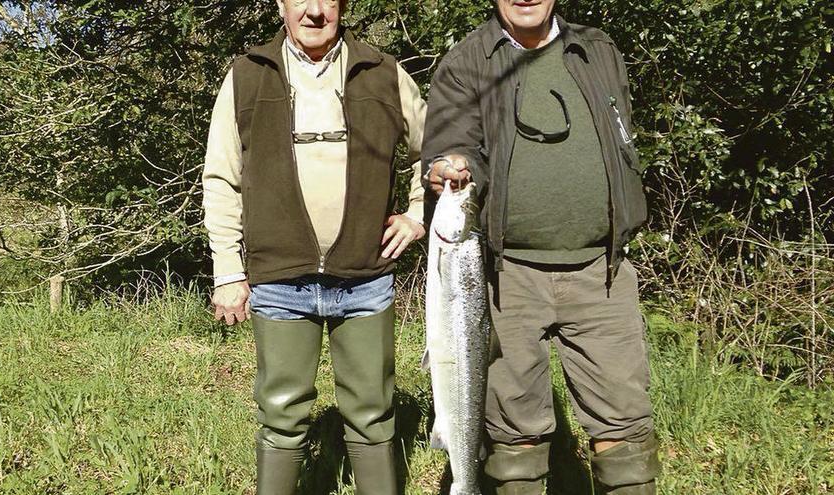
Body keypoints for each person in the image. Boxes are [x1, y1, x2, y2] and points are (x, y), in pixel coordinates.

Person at [422, 1, 660, 493]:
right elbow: (454, 142)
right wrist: (455, 165)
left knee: (625, 431)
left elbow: (619, 139)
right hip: (505, 278)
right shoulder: (468, 61)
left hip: (603, 271)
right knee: (515, 437)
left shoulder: (596, 49)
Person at [201, 0, 427, 493]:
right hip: (279, 281)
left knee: (373, 413)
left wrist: (418, 213)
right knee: (282, 415)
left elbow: (436, 151)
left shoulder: (383, 72)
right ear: (281, 5)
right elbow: (221, 179)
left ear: (342, 6)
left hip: (365, 279)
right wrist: (228, 270)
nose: (315, 10)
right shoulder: (247, 75)